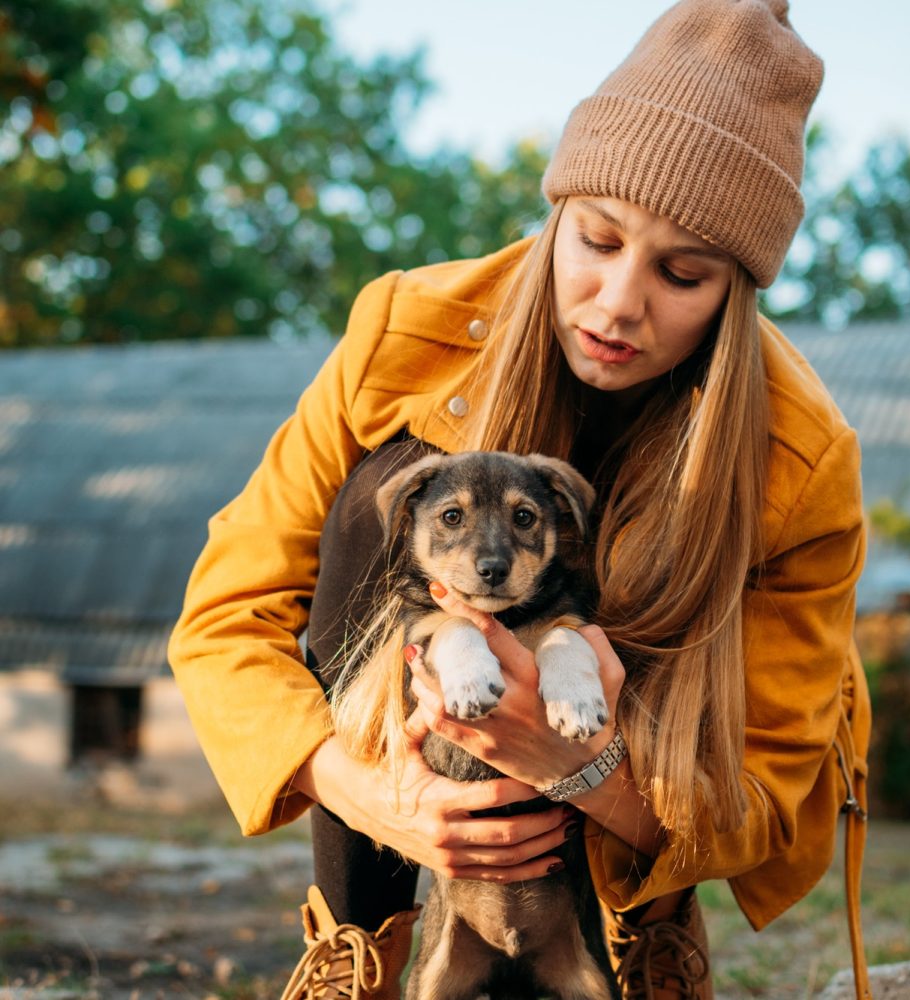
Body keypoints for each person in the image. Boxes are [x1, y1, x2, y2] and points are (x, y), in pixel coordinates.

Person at [168, 1, 872, 998]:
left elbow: (761, 790)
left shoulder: (799, 459)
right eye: (595, 238)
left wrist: (578, 765)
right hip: (408, 763)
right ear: (555, 214)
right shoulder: (406, 328)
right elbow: (225, 619)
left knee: (658, 577)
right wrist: (377, 798)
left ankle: (639, 935)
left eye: (682, 273)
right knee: (392, 494)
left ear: (736, 290)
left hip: (627, 781)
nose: (619, 301)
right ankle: (361, 942)